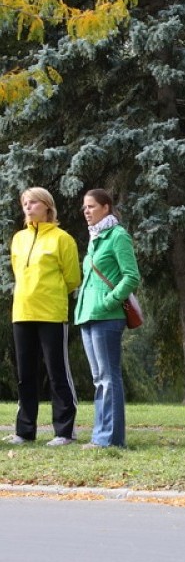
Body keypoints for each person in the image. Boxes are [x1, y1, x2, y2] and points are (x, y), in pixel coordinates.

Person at [4, 188, 81, 446]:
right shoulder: (18, 239)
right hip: (22, 312)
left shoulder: (62, 239)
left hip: (51, 313)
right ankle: (25, 431)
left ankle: (64, 432)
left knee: (57, 372)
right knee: (25, 374)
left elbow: (72, 278)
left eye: (33, 202)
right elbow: (18, 272)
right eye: (25, 203)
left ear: (48, 206)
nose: (28, 206)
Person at [74, 189, 140, 448]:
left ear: (106, 207)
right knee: (99, 379)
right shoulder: (95, 238)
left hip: (107, 316)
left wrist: (109, 301)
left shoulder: (117, 236)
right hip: (88, 315)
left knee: (108, 377)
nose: (86, 211)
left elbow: (131, 276)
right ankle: (100, 436)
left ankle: (111, 439)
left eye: (91, 206)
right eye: (84, 207)